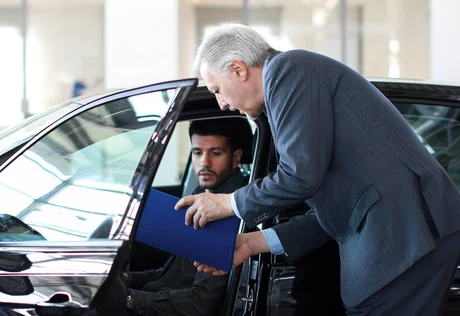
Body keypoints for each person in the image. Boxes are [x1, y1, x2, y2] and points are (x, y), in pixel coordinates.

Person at [175, 22, 460, 315]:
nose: (221, 104)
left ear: (238, 69)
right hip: (402, 239)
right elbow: (330, 209)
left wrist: (227, 202)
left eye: (218, 90)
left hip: (406, 236)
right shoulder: (288, 86)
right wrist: (251, 243)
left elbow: (299, 176)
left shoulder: (287, 70)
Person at [126, 118, 251, 316]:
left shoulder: (226, 210)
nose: (205, 163)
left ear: (236, 158)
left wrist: (131, 299)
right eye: (197, 152)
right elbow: (170, 275)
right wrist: (123, 280)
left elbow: (200, 302)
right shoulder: (202, 194)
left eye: (216, 153)